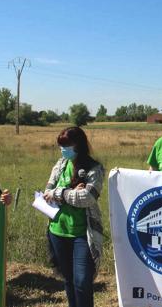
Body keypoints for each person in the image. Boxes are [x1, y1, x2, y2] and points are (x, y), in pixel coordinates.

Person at [44, 127, 104, 307]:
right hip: (57, 231)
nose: (63, 150)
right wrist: (69, 193)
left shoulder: (94, 169)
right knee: (68, 279)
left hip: (82, 234)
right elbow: (47, 191)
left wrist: (60, 193)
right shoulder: (60, 164)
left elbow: (87, 198)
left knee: (82, 281)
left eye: (67, 145)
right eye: (61, 146)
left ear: (78, 145)